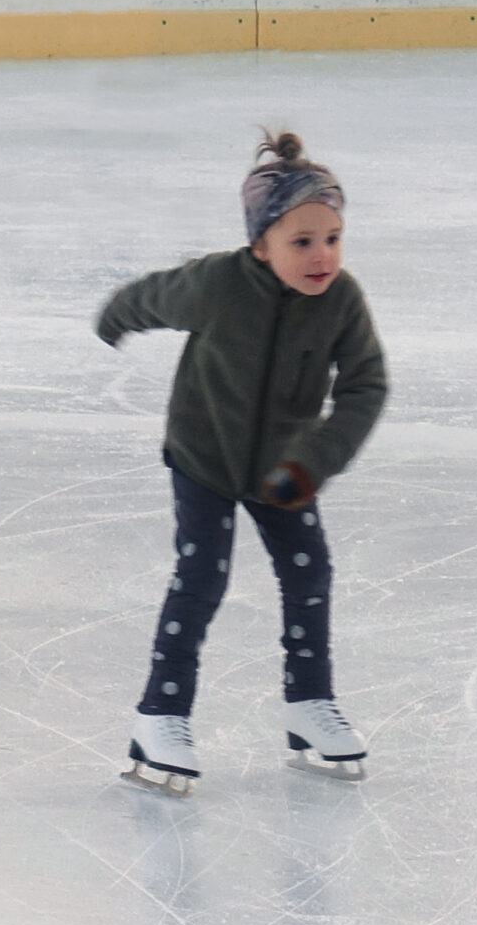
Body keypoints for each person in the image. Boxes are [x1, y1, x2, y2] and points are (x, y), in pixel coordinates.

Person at [95, 132, 389, 794]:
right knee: (202, 576)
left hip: (285, 467)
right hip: (203, 452)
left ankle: (308, 705)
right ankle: (160, 716)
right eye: (303, 241)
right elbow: (154, 294)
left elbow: (365, 386)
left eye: (333, 237)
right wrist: (116, 317)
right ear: (261, 243)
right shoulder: (219, 283)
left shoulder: (342, 302)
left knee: (309, 571)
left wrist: (313, 461)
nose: (323, 256)